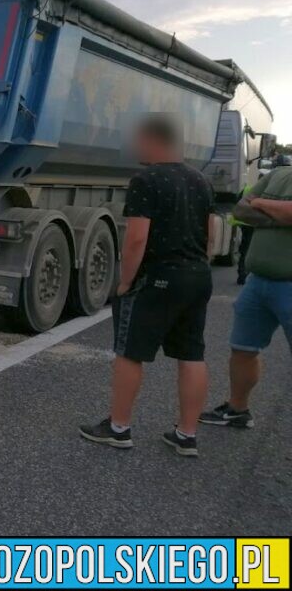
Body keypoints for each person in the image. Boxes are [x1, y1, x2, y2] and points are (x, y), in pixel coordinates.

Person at [80, 114, 214, 457]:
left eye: (140, 140)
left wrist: (125, 282)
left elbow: (137, 239)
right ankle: (187, 435)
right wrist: (199, 265)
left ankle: (119, 428)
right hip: (197, 274)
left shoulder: (146, 180)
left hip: (159, 277)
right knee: (192, 353)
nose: (136, 146)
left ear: (155, 141)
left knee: (130, 352)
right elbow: (210, 233)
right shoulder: (201, 180)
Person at [200, 155, 292, 430]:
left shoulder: (271, 182)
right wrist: (281, 214)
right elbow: (241, 210)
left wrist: (262, 204)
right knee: (243, 349)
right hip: (258, 282)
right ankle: (238, 410)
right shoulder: (278, 174)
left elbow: (260, 207)